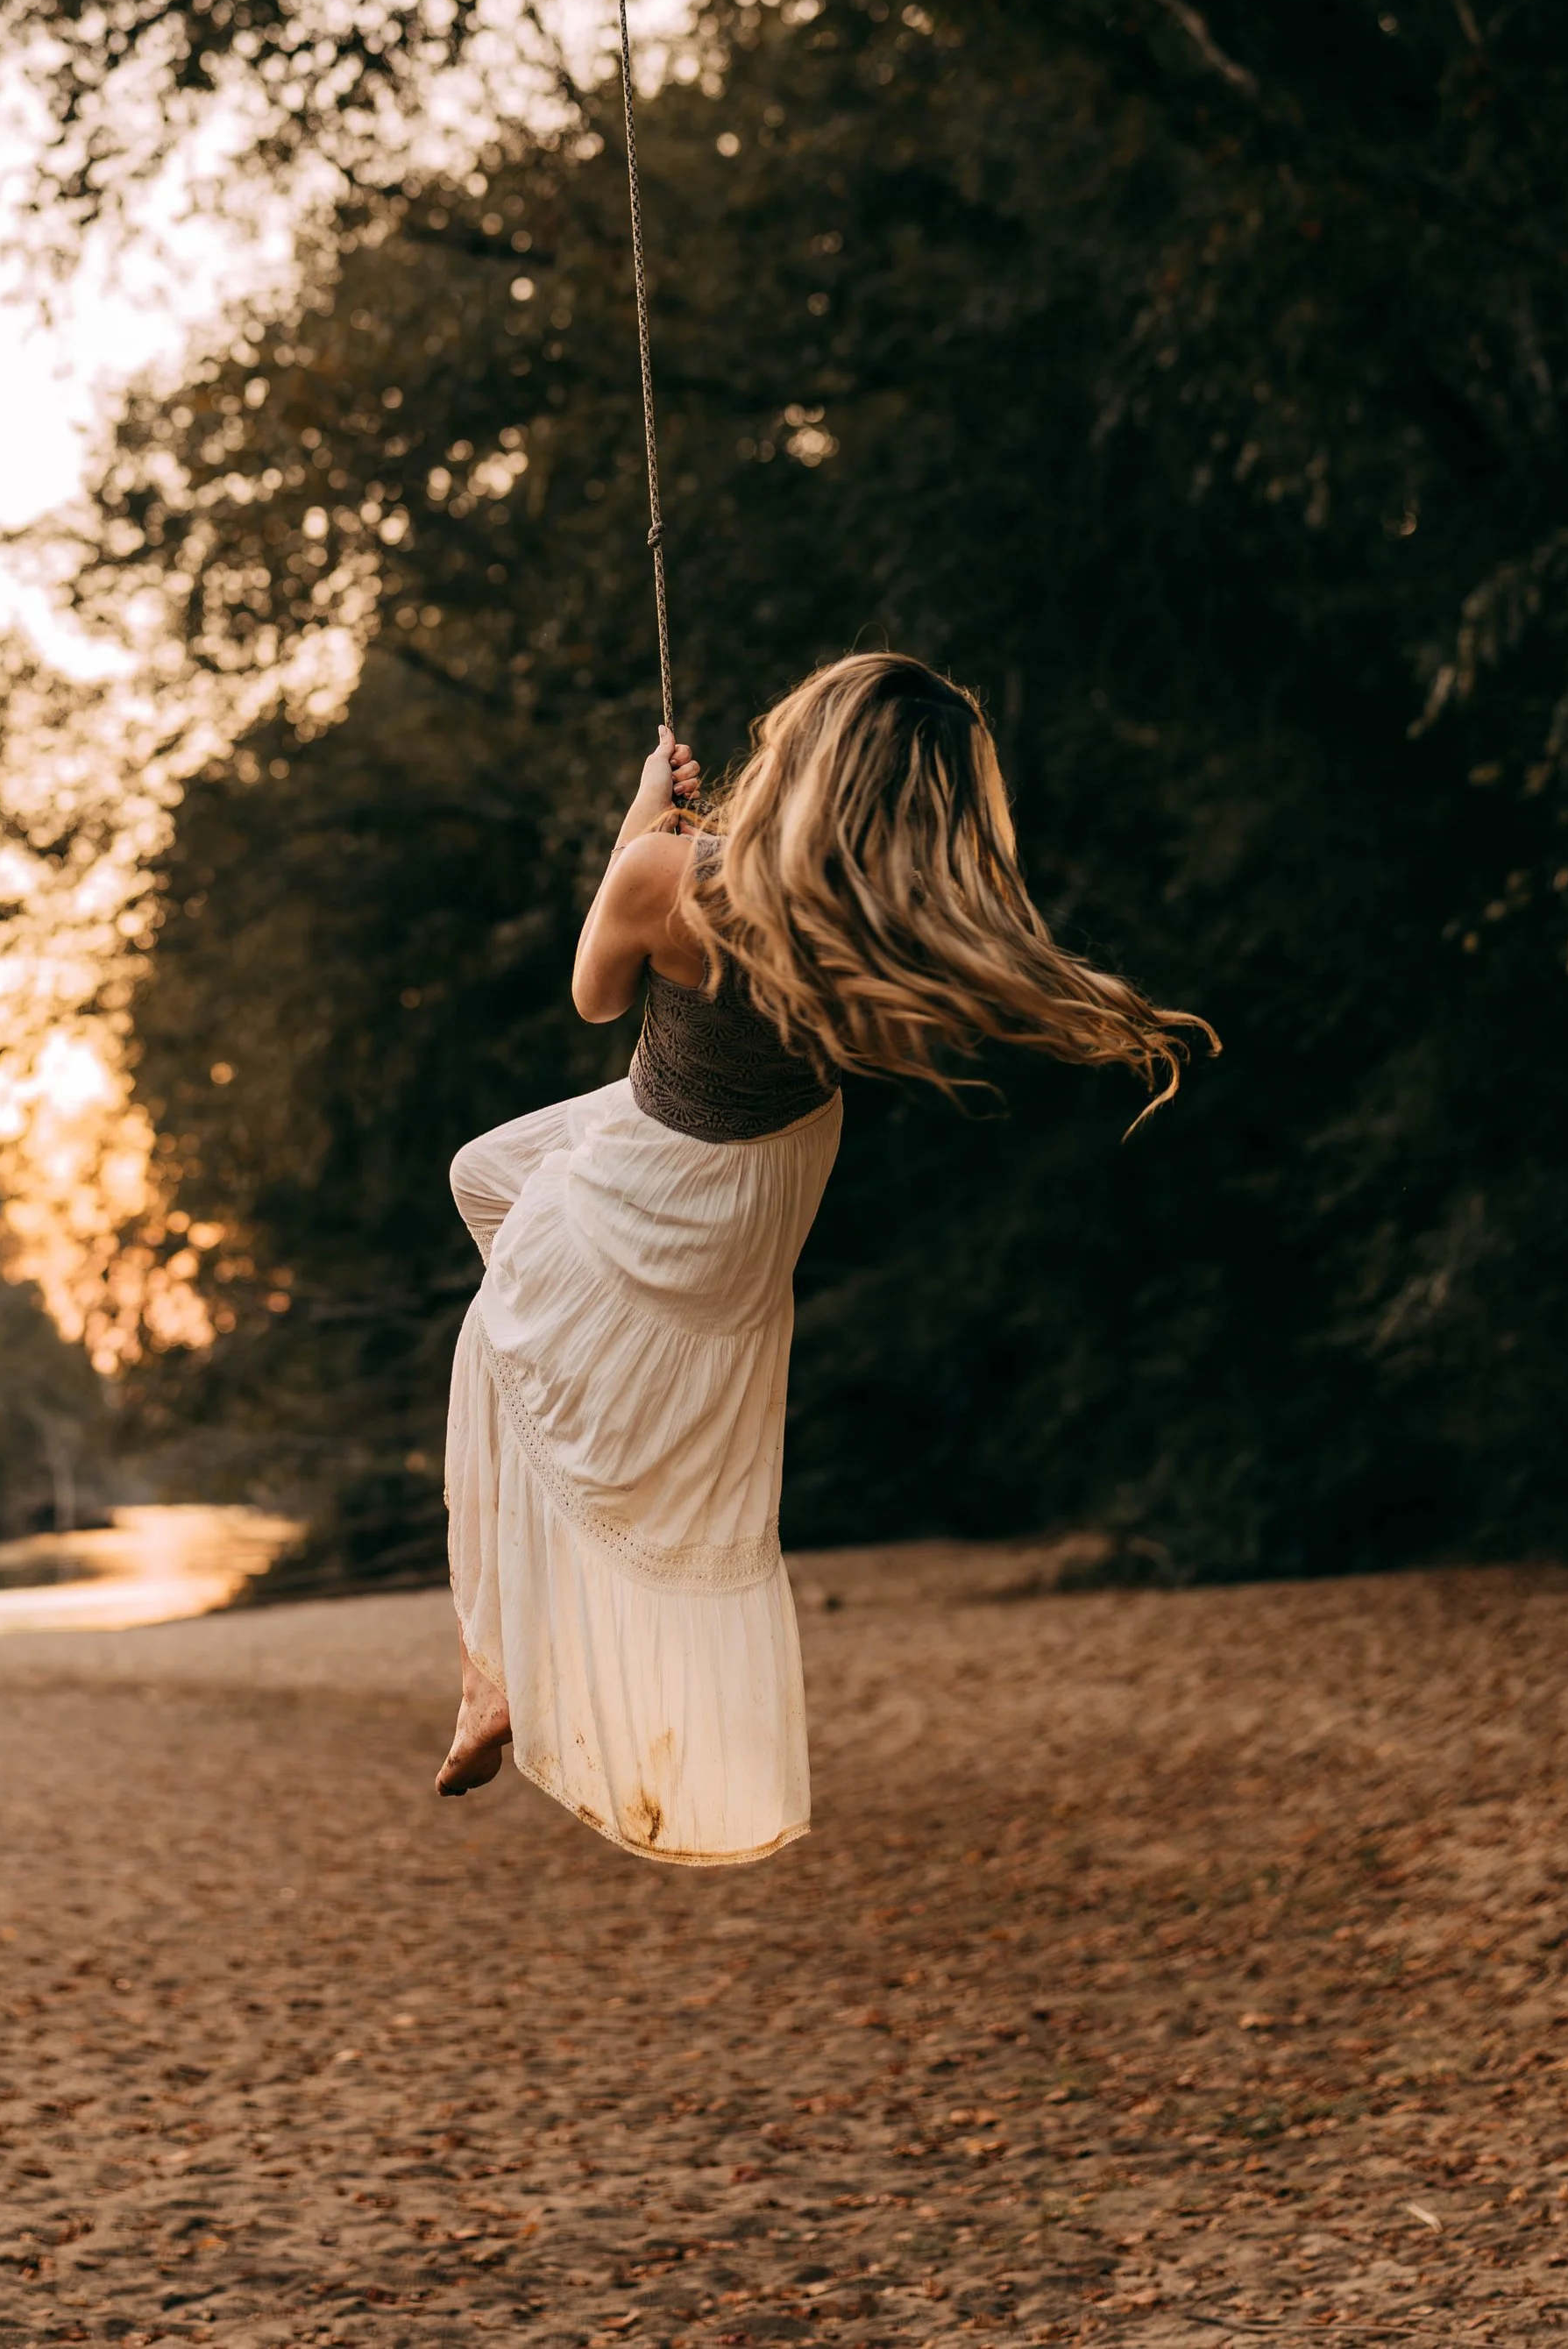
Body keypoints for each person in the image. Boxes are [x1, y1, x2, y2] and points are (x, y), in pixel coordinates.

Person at [436, 650, 1210, 1864]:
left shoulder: (672, 877)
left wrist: (647, 812)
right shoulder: (883, 927)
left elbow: (593, 996)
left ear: (797, 754)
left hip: (670, 1170)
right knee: (484, 1175)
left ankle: (491, 1665)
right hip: (764, 1183)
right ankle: (584, 1436)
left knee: (500, 1339)